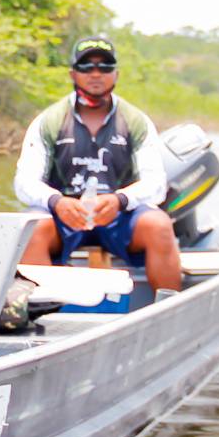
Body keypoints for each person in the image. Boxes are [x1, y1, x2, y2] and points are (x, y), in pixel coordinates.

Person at [13, 36, 182, 293]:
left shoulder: (136, 121)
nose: (96, 74)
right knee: (30, 228)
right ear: (73, 73)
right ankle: (40, 315)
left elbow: (156, 184)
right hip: (64, 214)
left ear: (116, 74)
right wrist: (57, 202)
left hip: (121, 215)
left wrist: (120, 200)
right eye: (86, 67)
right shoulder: (49, 121)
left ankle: (171, 311)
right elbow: (24, 182)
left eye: (104, 67)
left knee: (159, 225)